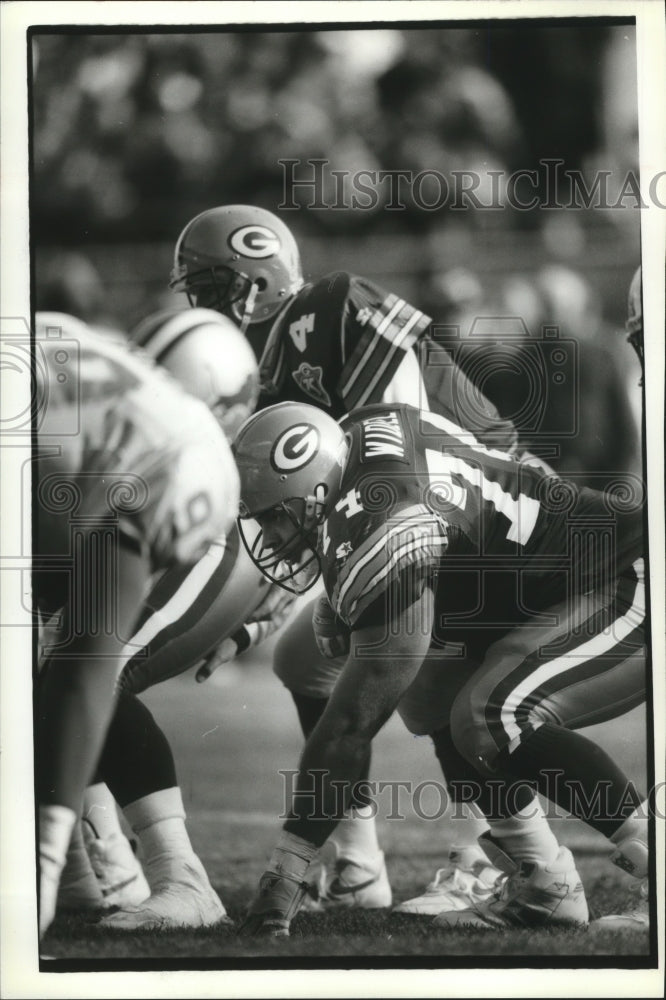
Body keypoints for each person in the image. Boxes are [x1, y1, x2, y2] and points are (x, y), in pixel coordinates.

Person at [168, 203, 549, 911]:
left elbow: (395, 442)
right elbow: (313, 516)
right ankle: (360, 865)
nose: (200, 304)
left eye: (209, 285)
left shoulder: (334, 305)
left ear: (253, 276)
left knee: (437, 672)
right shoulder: (267, 370)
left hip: (477, 507)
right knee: (300, 660)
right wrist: (255, 619)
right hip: (405, 512)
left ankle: (497, 858)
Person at [232, 399, 648, 936]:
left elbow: (350, 728)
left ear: (314, 492)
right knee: (430, 686)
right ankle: (543, 881)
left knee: (495, 715)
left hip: (628, 575)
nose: (267, 536)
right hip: (562, 583)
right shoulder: (356, 438)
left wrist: (285, 872)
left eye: (273, 515)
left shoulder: (385, 520)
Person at [53, 307, 298, 931]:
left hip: (211, 542)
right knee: (53, 670)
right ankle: (92, 871)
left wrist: (258, 624)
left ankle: (180, 879)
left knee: (88, 673)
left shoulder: (186, 451)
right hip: (184, 530)